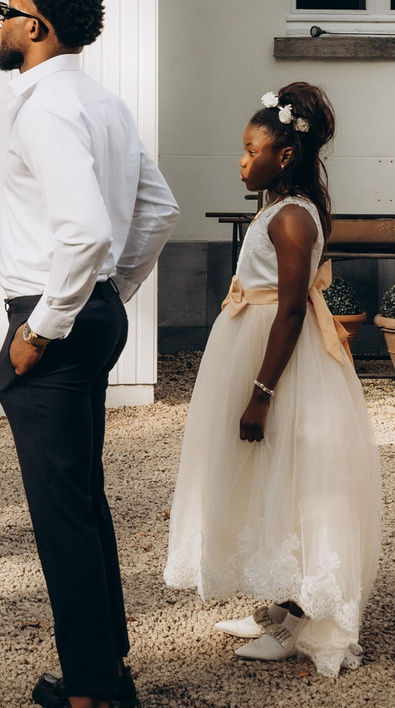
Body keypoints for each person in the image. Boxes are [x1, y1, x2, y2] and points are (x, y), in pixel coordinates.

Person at [0, 0, 177, 708]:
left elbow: (86, 230)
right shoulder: (101, 102)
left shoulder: (48, 107)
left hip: (55, 320)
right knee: (84, 505)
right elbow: (157, 209)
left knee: (64, 518)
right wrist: (112, 293)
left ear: (37, 29)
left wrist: (44, 327)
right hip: (88, 311)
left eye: (7, 9)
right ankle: (109, 675)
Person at [163, 82, 381, 677]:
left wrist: (261, 393)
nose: (241, 159)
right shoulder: (276, 209)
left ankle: (309, 621)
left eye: (250, 148)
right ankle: (286, 607)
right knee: (271, 475)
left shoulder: (290, 219)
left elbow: (289, 308)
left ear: (283, 155)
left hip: (278, 360)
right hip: (252, 345)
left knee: (295, 474)